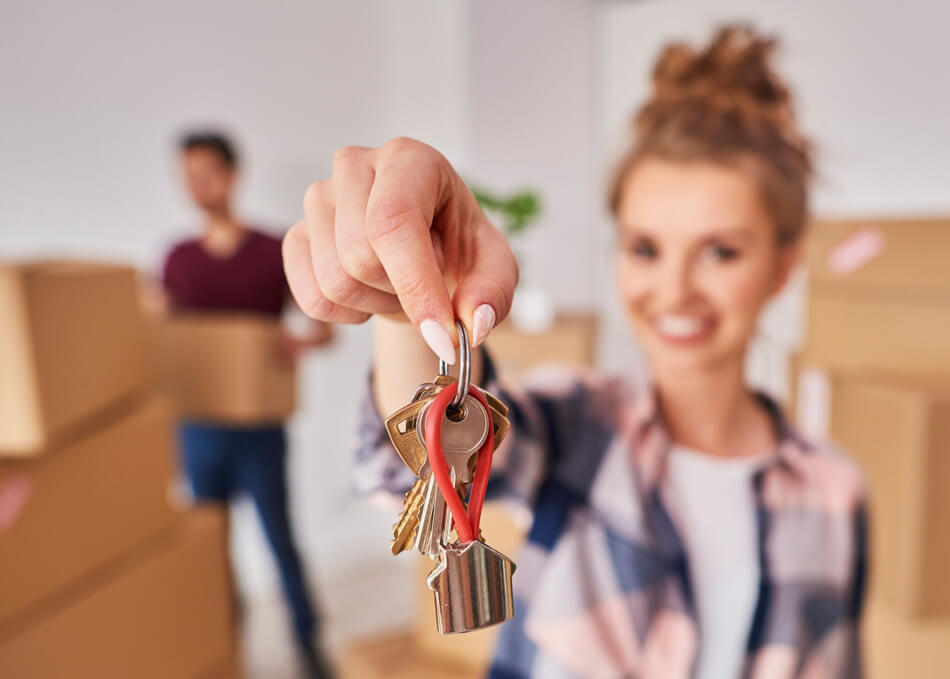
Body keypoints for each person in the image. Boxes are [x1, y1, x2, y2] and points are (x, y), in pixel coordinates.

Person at [283, 26, 867, 678]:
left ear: (783, 267)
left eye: (720, 251)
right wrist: (404, 300)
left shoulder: (835, 490)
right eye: (645, 248)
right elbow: (414, 471)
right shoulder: (577, 421)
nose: (673, 289)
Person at [161, 131, 335, 679]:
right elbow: (161, 337)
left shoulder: (272, 250)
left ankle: (309, 649)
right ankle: (222, 651)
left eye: (207, 173)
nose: (197, 186)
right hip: (199, 428)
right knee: (210, 550)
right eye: (188, 175)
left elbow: (323, 328)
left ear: (233, 176)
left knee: (281, 541)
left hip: (260, 426)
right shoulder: (178, 259)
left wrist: (297, 343)